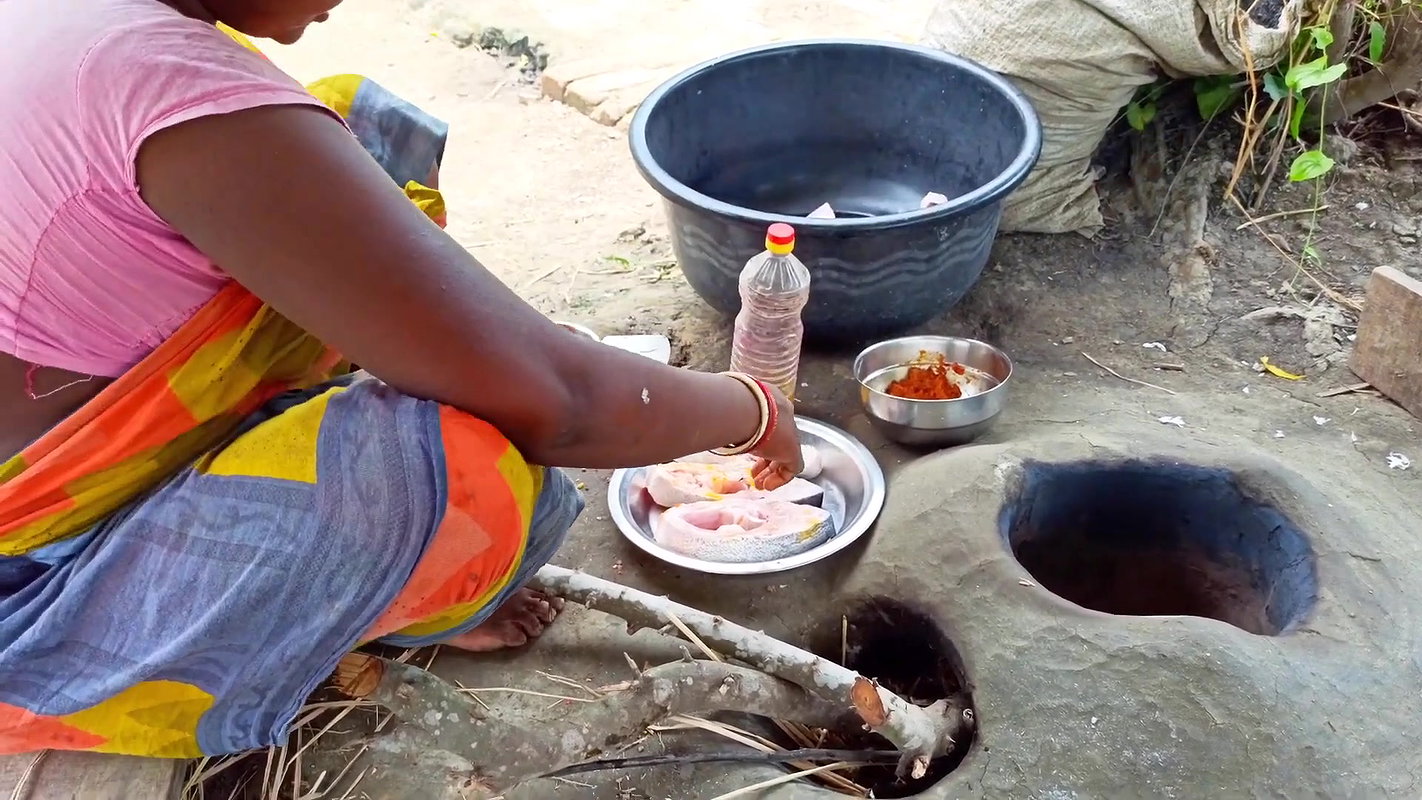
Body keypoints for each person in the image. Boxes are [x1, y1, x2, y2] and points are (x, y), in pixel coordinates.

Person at [0, 0, 803, 759]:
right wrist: (754, 409)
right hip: (37, 584)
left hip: (98, 428)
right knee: (455, 475)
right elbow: (564, 408)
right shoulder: (170, 91)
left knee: (360, 134)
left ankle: (367, 567)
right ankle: (364, 607)